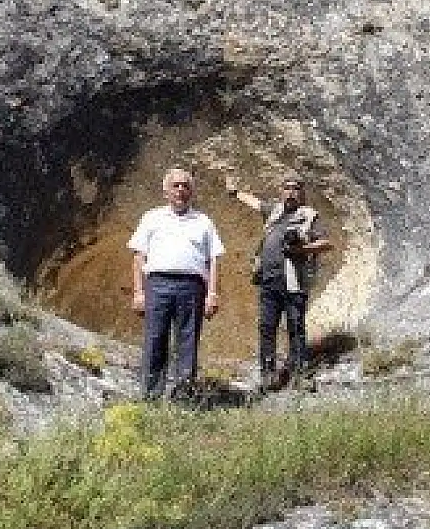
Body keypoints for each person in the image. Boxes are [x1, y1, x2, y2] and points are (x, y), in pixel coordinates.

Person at [226, 173, 331, 388]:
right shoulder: (274, 211)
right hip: (269, 281)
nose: (291, 192)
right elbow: (255, 203)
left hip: (294, 282)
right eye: (287, 188)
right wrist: (236, 192)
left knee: (295, 327)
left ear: (302, 193)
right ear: (281, 191)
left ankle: (300, 375)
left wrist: (301, 249)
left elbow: (326, 243)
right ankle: (268, 376)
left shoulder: (309, 215)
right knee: (267, 327)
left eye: (296, 188)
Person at [128, 167, 225, 401]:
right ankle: (150, 396)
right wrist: (139, 292)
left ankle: (183, 397)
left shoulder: (204, 221)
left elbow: (213, 259)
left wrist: (212, 294)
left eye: (186, 186)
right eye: (176, 186)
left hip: (192, 287)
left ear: (192, 191)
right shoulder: (152, 217)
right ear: (166, 191)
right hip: (158, 284)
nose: (181, 190)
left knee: (188, 342)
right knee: (154, 339)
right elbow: (139, 256)